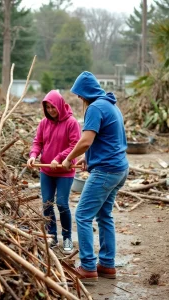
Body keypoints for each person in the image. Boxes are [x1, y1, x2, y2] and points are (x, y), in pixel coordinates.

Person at [62, 71, 129, 282]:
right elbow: (109, 141)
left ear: (85, 93)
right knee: (104, 215)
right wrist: (89, 160)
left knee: (82, 215)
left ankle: (88, 267)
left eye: (80, 95)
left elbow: (85, 141)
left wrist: (69, 159)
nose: (80, 99)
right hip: (119, 169)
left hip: (106, 171)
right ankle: (107, 265)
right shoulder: (110, 105)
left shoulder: (95, 108)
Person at [27, 90, 81, 253]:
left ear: (60, 105)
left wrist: (59, 158)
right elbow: (38, 142)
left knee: (62, 204)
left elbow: (75, 145)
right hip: (46, 170)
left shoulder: (71, 123)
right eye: (47, 107)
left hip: (64, 170)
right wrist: (33, 155)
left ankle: (67, 238)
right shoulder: (44, 122)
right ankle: (51, 236)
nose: (51, 110)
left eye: (53, 107)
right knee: (47, 203)